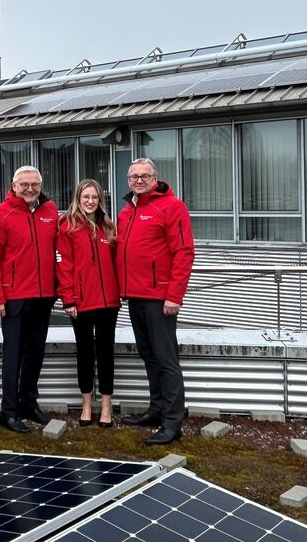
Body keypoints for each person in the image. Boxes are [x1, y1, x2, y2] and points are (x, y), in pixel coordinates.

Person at [116, 158, 195, 445]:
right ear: (128, 180)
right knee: (149, 355)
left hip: (160, 299)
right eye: (134, 176)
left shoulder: (172, 207)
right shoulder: (126, 212)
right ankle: (157, 409)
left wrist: (174, 295)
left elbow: (184, 252)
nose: (139, 180)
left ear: (155, 178)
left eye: (144, 176)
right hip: (135, 296)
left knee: (166, 359)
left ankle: (172, 422)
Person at [0, 165, 58, 433]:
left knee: (36, 354)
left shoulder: (50, 211)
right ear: (14, 186)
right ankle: (9, 411)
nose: (29, 189)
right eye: (24, 184)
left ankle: (28, 402)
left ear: (41, 186)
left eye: (34, 184)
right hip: (14, 297)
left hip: (43, 296)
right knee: (13, 356)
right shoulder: (0, 213)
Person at [56, 179, 119, 428]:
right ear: (78, 199)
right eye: (86, 197)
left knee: (106, 353)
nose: (90, 201)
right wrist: (68, 299)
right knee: (84, 353)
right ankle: (86, 405)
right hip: (80, 302)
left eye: (94, 197)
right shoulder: (68, 226)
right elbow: (63, 265)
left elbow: (116, 263)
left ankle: (106, 406)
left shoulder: (108, 226)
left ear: (100, 200)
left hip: (108, 302)